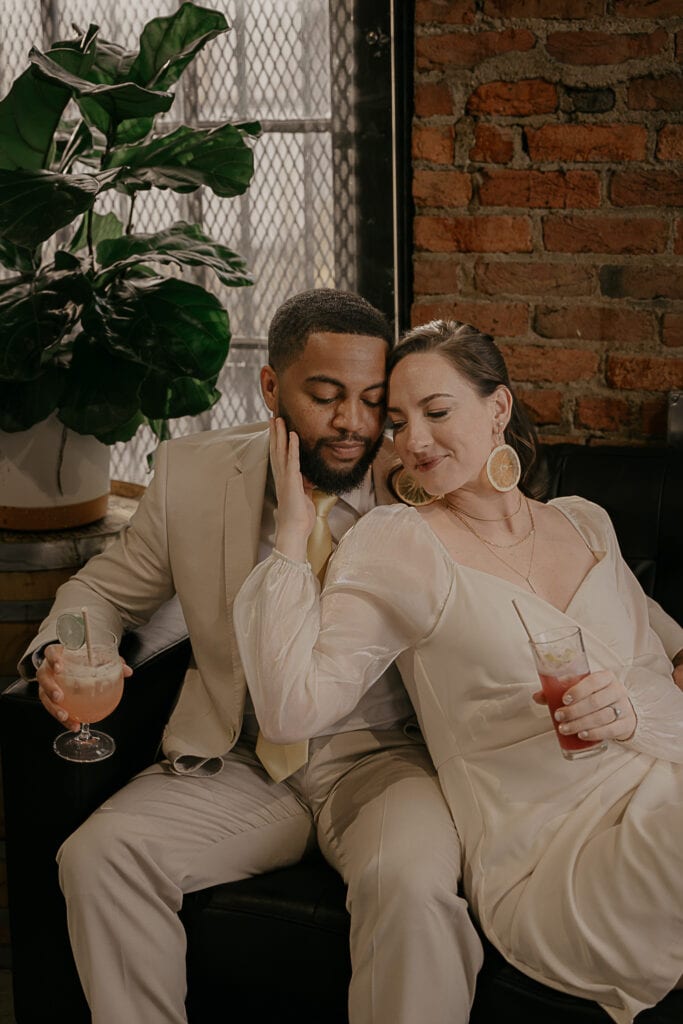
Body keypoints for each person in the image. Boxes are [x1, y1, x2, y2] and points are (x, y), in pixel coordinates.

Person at [24, 291, 486, 1024]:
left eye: (372, 400)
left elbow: (544, 574)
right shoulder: (191, 473)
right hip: (237, 761)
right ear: (271, 386)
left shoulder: (424, 481)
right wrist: (70, 652)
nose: (352, 424)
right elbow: (101, 592)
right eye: (326, 396)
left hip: (386, 761)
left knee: (410, 887)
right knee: (98, 857)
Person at [234, 319, 683, 1024]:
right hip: (550, 853)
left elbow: (664, 665)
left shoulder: (583, 522)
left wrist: (631, 711)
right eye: (397, 423)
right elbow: (293, 710)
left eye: (436, 413)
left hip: (657, 781)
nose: (413, 442)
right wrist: (291, 539)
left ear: (497, 408)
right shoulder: (399, 543)